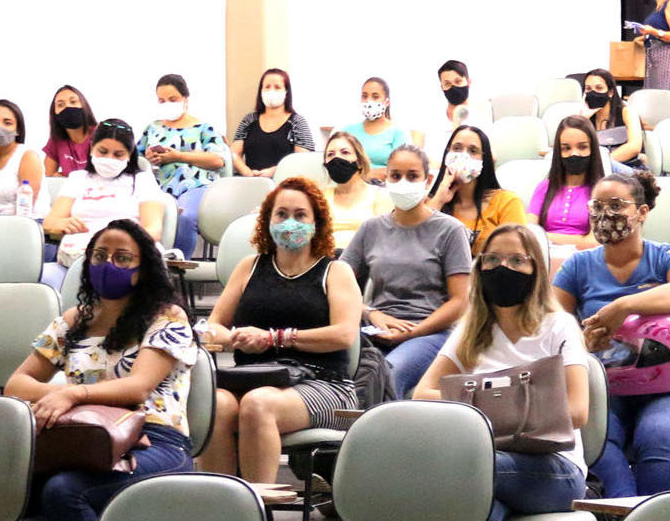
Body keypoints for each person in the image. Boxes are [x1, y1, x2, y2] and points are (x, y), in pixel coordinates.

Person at [5, 218, 198, 521]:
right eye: (99, 256)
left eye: (123, 258)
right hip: (83, 440)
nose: (108, 265)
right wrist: (61, 398)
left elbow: (138, 386)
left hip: (157, 441)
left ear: (144, 267)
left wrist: (72, 393)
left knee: (63, 492)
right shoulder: (74, 320)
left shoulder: (166, 318)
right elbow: (17, 382)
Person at [414, 223, 590, 521]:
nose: (501, 267)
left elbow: (577, 412)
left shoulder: (559, 326)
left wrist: (481, 408)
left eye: (516, 260)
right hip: (484, 466)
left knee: (455, 473)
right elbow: (422, 393)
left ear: (535, 271)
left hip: (555, 469)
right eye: (491, 259)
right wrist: (499, 408)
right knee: (475, 520)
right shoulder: (472, 329)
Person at [552, 171, 670, 497]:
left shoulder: (668, 256)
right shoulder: (577, 266)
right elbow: (550, 322)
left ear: (642, 212)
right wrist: (582, 341)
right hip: (607, 391)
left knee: (659, 436)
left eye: (616, 205)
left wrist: (623, 307)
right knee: (592, 438)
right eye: (596, 206)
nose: (604, 215)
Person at [198, 177, 362, 483]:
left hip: (326, 384)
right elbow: (213, 327)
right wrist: (233, 338)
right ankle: (220, 511)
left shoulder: (336, 271)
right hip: (254, 378)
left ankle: (259, 515)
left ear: (317, 223)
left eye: (300, 215)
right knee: (216, 405)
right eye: (281, 214)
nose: (290, 222)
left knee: (258, 404)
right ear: (268, 220)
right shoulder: (249, 267)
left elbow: (343, 334)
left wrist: (275, 338)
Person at [340, 145, 472, 398]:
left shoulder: (450, 230)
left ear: (428, 180)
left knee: (388, 375)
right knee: (339, 373)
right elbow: (338, 285)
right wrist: (371, 313)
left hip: (430, 332)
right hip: (374, 330)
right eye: (395, 176)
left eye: (412, 176)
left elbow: (460, 301)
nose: (402, 183)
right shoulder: (371, 228)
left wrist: (415, 331)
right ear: (385, 179)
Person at [40, 120, 168, 292]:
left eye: (118, 154)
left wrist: (115, 246)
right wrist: (62, 224)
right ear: (92, 147)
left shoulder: (143, 181)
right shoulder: (78, 179)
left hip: (125, 258)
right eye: (103, 151)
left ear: (130, 154)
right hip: (74, 261)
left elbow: (153, 230)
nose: (109, 159)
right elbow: (49, 223)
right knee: (44, 280)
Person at [140, 73, 227, 254]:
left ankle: (178, 264)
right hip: (160, 188)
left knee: (185, 217)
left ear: (185, 98)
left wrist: (179, 156)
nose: (167, 104)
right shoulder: (153, 128)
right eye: (162, 101)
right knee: (149, 217)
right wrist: (148, 158)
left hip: (196, 187)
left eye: (173, 99)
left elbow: (217, 160)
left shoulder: (204, 128)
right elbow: (134, 160)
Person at [428, 125, 526, 254]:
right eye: (457, 148)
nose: (463, 156)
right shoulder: (429, 204)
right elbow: (416, 245)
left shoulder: (506, 202)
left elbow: (515, 254)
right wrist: (439, 200)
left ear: (484, 160)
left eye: (473, 151)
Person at [529, 116, 609, 248]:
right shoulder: (544, 188)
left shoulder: (602, 192)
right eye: (566, 148)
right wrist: (578, 240)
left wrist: (544, 237)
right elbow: (529, 233)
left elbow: (593, 242)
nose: (574, 154)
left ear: (592, 150)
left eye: (582, 147)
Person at [230, 68, 316, 177]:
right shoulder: (249, 120)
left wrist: (274, 171)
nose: (271, 91)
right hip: (251, 182)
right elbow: (233, 154)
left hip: (286, 185)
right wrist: (247, 172)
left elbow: (302, 159)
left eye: (277, 87)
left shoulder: (297, 122)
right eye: (267, 87)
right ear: (261, 91)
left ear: (286, 92)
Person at [321, 132, 389, 243]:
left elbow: (385, 241)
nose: (337, 158)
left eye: (345, 152)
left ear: (360, 162)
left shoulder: (380, 196)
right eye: (330, 154)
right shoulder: (319, 198)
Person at [346, 77, 416, 179]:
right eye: (364, 96)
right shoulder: (348, 131)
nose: (368, 101)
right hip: (353, 188)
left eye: (375, 97)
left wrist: (363, 173)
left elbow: (403, 169)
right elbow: (340, 167)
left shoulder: (398, 132)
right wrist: (368, 174)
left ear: (386, 102)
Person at [581, 68, 646, 171]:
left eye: (599, 88)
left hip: (627, 168)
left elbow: (634, 147)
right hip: (597, 170)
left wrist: (603, 163)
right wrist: (583, 118)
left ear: (610, 92)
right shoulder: (585, 118)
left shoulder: (627, 112)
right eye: (588, 89)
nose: (593, 92)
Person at [42, 85, 99, 178]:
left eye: (73, 102)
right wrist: (58, 179)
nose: (67, 107)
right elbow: (47, 177)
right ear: (54, 113)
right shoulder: (56, 140)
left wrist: (69, 178)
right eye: (60, 105)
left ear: (84, 105)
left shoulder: (100, 134)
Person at [436, 59, 481, 134]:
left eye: (458, 81)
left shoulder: (481, 116)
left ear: (468, 82)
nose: (453, 87)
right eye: (447, 84)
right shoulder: (434, 119)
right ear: (442, 88)